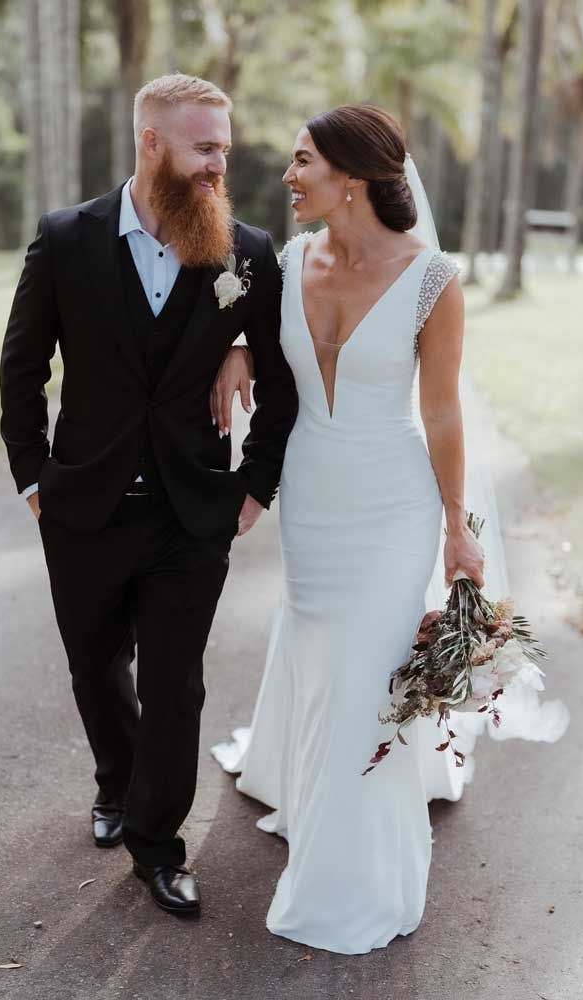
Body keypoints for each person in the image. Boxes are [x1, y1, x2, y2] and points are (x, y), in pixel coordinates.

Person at [0, 73, 297, 918]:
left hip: (191, 509)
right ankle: (116, 783)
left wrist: (255, 490)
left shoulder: (247, 251)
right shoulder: (65, 239)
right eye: (204, 148)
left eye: (225, 151)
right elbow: (22, 369)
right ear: (152, 144)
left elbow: (281, 381)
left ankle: (158, 846)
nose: (218, 167)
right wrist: (33, 480)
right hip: (82, 505)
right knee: (96, 665)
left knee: (176, 682)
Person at [210, 104, 493, 955]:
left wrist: (456, 525)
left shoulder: (434, 278)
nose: (288, 177)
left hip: (392, 503)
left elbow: (440, 411)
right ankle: (312, 801)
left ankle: (356, 876)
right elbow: (277, 357)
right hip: (315, 497)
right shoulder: (292, 260)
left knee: (369, 679)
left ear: (356, 175)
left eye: (303, 162)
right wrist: (240, 349)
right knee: (322, 656)